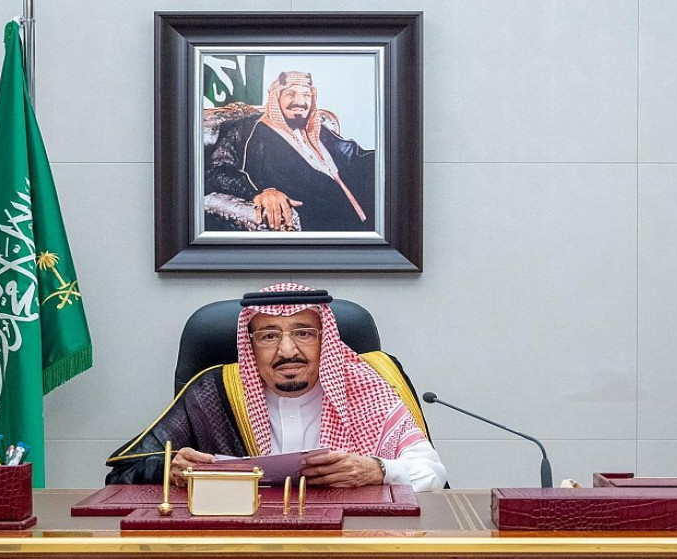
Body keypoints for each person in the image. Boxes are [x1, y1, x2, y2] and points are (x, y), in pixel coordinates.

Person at [105, 283, 447, 492]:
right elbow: (124, 470)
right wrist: (172, 469)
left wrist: (377, 470)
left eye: (304, 333)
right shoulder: (216, 392)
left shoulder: (366, 385)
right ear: (250, 345)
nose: (287, 350)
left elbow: (432, 473)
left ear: (326, 340)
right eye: (269, 336)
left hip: (349, 543)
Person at [205, 71, 375, 232]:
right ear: (276, 98)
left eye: (306, 95)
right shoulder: (247, 129)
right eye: (290, 94)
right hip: (317, 221)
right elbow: (215, 172)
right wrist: (258, 193)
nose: (300, 102)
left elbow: (353, 156)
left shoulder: (318, 129)